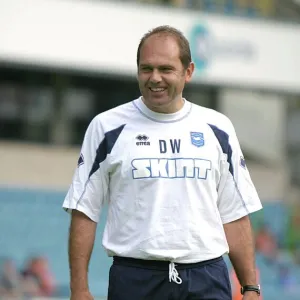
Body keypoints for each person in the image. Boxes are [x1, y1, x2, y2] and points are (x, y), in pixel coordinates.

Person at [63, 25, 263, 300]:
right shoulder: (106, 127)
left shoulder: (218, 128)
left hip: (206, 277)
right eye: (146, 69)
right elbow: (84, 211)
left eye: (165, 69)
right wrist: (79, 289)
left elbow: (234, 213)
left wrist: (250, 286)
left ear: (188, 71)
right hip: (135, 279)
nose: (154, 78)